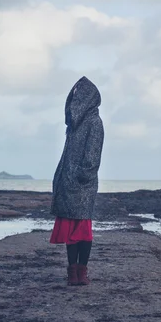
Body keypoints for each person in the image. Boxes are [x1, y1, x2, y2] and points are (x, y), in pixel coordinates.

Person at [50, 76, 104, 286]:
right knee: (70, 231)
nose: (74, 102)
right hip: (67, 183)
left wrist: (82, 176)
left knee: (83, 230)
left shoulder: (94, 122)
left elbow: (93, 156)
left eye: (78, 97)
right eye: (73, 98)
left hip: (83, 185)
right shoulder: (74, 124)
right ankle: (72, 272)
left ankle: (82, 271)